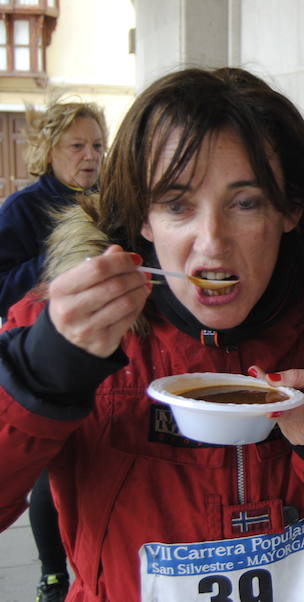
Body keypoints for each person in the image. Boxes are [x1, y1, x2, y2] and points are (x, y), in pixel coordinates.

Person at [0, 67, 304, 601]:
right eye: (177, 205)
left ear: (290, 208)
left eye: (244, 202)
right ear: (144, 220)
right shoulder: (70, 326)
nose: (213, 242)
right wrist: (46, 367)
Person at [0, 99, 107, 602]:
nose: (91, 156)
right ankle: (52, 575)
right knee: (49, 469)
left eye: (98, 146)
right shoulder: (22, 209)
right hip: (44, 355)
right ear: (49, 150)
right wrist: (64, 251)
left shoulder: (111, 199)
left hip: (101, 352)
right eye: (78, 145)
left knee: (88, 462)